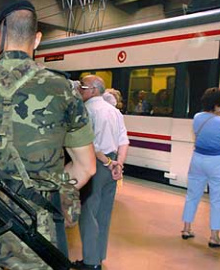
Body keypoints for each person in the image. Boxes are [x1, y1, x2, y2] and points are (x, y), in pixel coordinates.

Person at [0, 1, 96, 269]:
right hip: (39, 230)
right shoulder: (63, 90)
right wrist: (49, 193)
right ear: (37, 39)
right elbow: (87, 166)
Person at [75, 75, 129, 270]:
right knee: (104, 214)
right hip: (113, 165)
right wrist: (118, 164)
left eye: (83, 87)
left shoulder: (87, 110)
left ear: (94, 90)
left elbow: (90, 144)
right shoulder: (114, 111)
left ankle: (90, 262)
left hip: (95, 164)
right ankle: (99, 256)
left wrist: (107, 162)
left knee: (88, 213)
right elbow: (124, 141)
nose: (80, 90)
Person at [181, 87, 220, 249]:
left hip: (197, 159)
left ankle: (186, 228)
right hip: (217, 161)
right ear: (217, 105)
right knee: (218, 199)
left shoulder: (198, 117)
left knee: (192, 195)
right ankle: (214, 236)